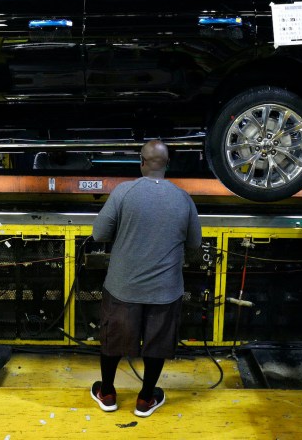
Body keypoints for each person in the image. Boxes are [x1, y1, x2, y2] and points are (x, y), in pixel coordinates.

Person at [89, 140, 202, 417]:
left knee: (113, 340)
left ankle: (108, 394)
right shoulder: (183, 198)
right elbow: (195, 244)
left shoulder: (124, 192)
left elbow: (100, 234)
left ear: (141, 161)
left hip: (122, 288)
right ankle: (145, 399)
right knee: (157, 343)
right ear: (167, 164)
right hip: (165, 291)